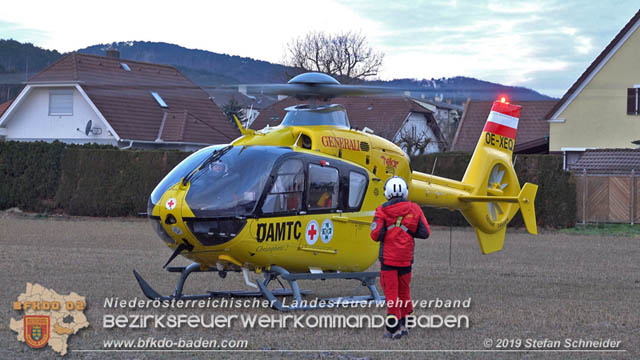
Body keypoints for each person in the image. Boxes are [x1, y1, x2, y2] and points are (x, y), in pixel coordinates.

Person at [370, 176, 430, 339]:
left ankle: (393, 328)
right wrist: (408, 232)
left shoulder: (381, 210)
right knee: (404, 291)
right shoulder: (415, 208)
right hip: (406, 259)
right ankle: (406, 323)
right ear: (404, 191)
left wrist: (388, 233)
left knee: (391, 293)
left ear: (387, 192)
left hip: (389, 260)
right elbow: (425, 233)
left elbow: (375, 235)